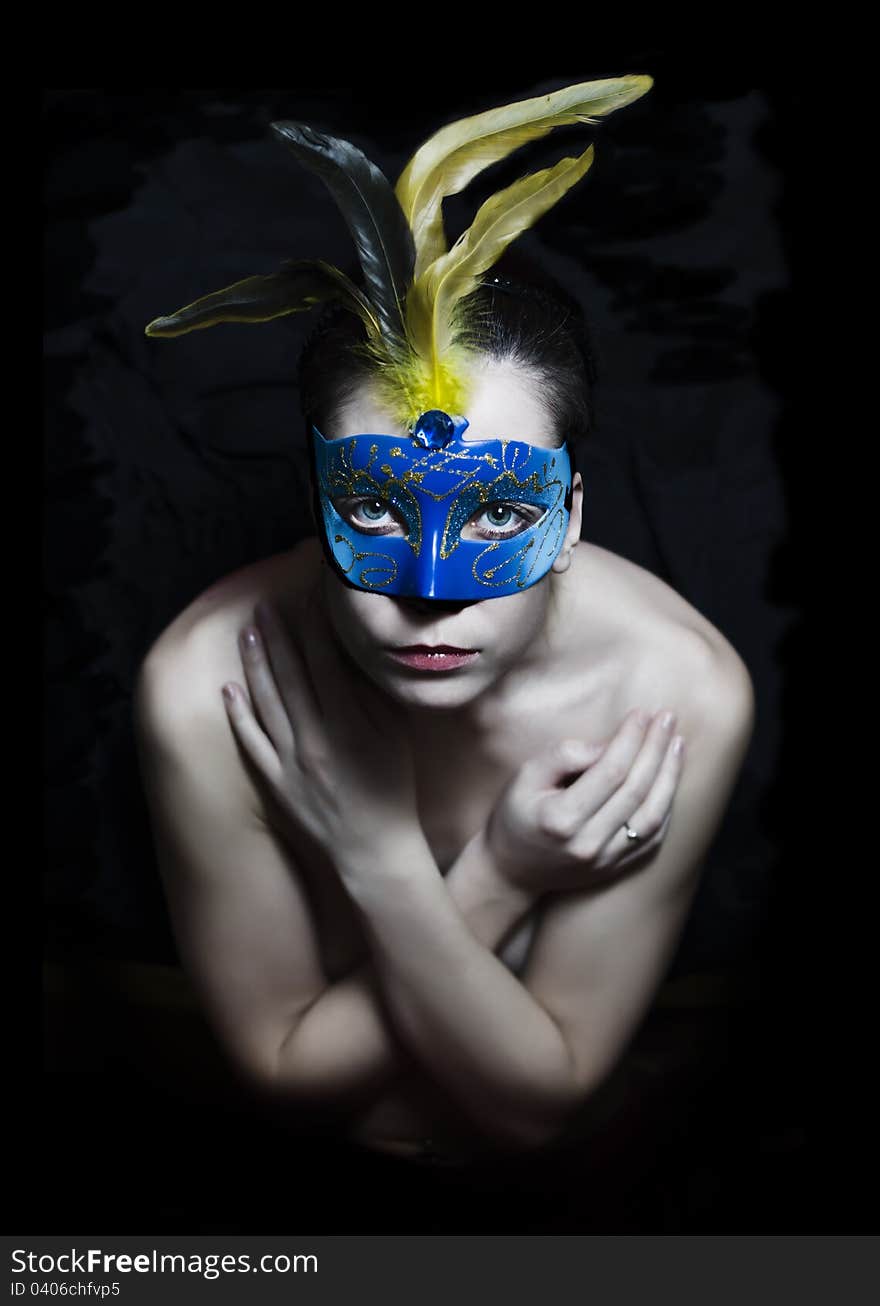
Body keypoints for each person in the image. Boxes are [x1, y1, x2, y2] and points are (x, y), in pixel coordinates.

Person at [132, 77, 755, 1166]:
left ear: (567, 519)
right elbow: (286, 1083)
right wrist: (499, 876)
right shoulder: (202, 686)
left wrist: (392, 862)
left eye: (499, 513)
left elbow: (536, 1105)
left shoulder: (673, 693)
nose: (432, 586)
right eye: (373, 502)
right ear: (314, 500)